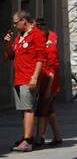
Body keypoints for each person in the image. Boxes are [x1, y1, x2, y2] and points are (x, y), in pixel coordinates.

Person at [3, 10, 46, 150]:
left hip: (29, 77)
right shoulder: (20, 37)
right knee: (23, 109)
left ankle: (27, 140)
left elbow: (41, 58)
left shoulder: (37, 35)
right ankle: (27, 136)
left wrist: (34, 77)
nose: (14, 26)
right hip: (19, 78)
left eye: (16, 23)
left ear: (24, 22)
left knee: (28, 108)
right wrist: (8, 44)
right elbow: (11, 56)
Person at [33, 18, 62, 147]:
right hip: (48, 82)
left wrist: (48, 89)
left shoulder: (49, 48)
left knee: (41, 111)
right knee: (49, 111)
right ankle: (57, 137)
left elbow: (52, 70)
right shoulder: (50, 39)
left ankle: (38, 139)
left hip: (49, 83)